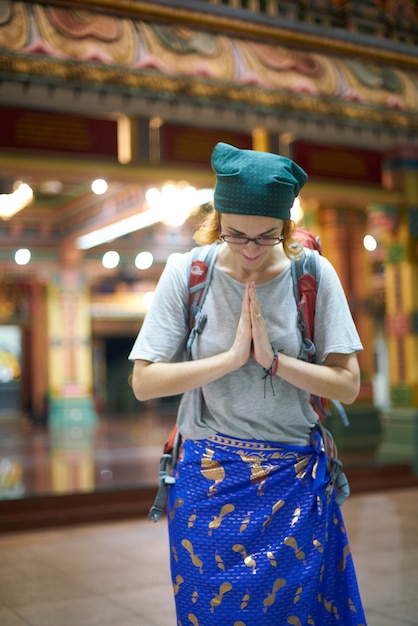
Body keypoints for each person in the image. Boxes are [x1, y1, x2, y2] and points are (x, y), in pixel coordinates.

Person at [129, 142, 367, 625]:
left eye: (268, 236)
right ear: (217, 221)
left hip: (292, 477)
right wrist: (232, 358)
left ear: (286, 227)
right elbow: (144, 382)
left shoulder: (312, 274)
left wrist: (275, 361)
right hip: (207, 477)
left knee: (292, 613)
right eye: (237, 235)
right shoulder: (188, 273)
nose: (253, 250)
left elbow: (347, 385)